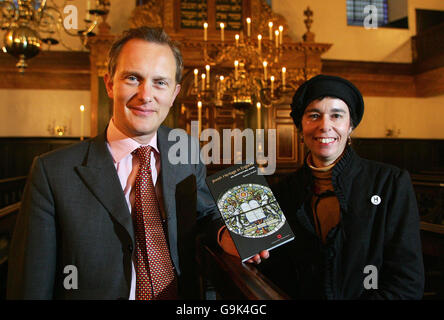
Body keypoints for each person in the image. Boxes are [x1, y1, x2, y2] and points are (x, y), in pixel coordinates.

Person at [7, 27, 220, 300]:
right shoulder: (52, 172)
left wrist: (228, 235)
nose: (146, 95)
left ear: (175, 93)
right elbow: (30, 284)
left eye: (160, 82)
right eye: (133, 78)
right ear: (109, 84)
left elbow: (204, 214)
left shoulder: (187, 149)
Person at [221, 74, 425, 299]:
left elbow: (407, 282)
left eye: (337, 115)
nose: (325, 126)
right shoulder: (280, 192)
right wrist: (246, 247)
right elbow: (275, 272)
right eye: (314, 115)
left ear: (351, 126)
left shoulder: (390, 183)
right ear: (301, 126)